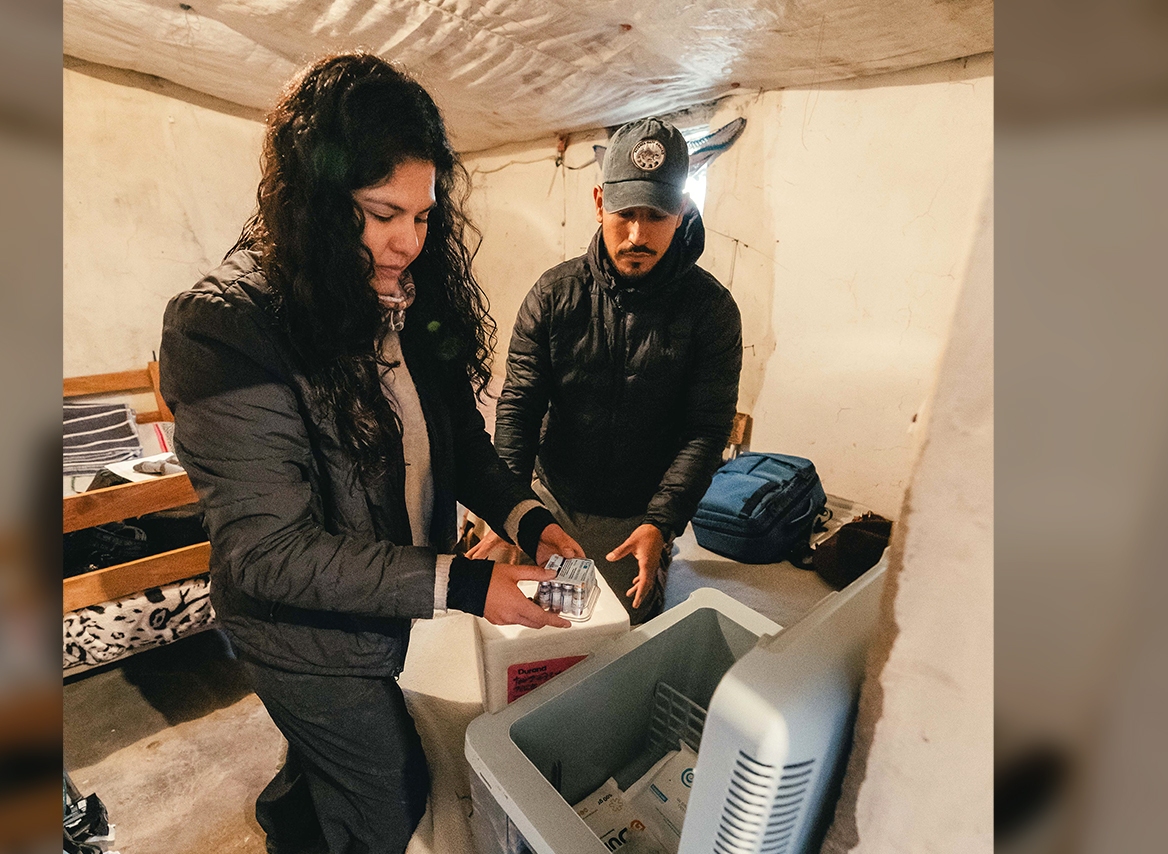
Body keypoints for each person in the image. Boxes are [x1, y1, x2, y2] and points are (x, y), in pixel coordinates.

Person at [158, 53, 583, 854]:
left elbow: (457, 442)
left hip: (378, 608)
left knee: (338, 760)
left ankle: (293, 815)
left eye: (423, 217)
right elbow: (268, 551)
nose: (408, 243)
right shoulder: (225, 326)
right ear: (315, 205)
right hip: (300, 634)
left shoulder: (406, 307)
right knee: (391, 795)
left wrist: (528, 518)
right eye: (382, 213)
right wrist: (466, 582)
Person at [470, 117, 743, 625]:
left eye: (657, 214)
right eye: (625, 213)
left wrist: (662, 520)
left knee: (619, 636)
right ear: (599, 203)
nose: (637, 234)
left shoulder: (711, 310)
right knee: (544, 629)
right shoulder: (554, 295)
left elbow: (704, 431)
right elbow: (519, 408)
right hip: (556, 494)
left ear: (681, 211)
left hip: (638, 509)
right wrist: (507, 510)